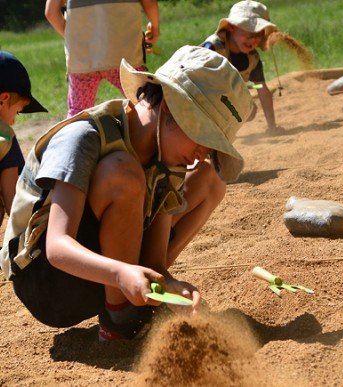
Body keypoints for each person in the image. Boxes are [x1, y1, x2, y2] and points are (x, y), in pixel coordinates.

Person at [0, 46, 253, 341]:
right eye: (203, 137)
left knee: (210, 178)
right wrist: (121, 275)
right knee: (124, 172)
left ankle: (134, 301)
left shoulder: (168, 156)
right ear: (173, 107)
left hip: (113, 274)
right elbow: (57, 247)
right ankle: (121, 316)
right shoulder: (84, 137)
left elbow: (155, 261)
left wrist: (169, 286)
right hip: (47, 282)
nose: (200, 153)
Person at [45, 0, 160, 117]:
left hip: (82, 59)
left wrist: (74, 38)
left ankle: (72, 134)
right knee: (146, 104)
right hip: (124, 57)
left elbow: (51, 13)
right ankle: (150, 133)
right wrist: (155, 27)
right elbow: (149, 3)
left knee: (78, 113)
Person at [201, 0, 284, 136]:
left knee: (247, 110)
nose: (253, 41)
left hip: (223, 101)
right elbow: (198, 85)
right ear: (232, 27)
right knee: (242, 108)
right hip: (200, 100)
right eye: (249, 34)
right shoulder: (212, 48)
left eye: (258, 35)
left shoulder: (253, 59)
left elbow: (262, 89)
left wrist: (272, 127)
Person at [0, 51, 48, 225]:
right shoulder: (5, 137)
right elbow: (15, 207)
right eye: (18, 111)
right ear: (3, 99)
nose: (14, 119)